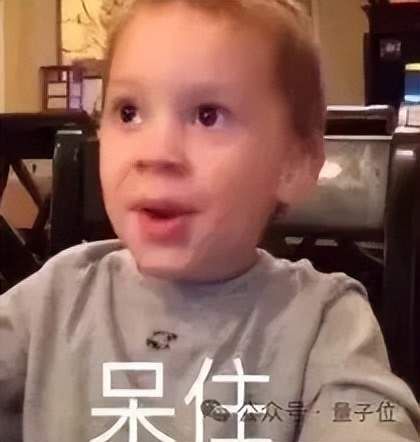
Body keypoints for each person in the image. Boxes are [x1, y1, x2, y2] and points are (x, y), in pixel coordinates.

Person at [1, 1, 419, 441]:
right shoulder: (55, 298)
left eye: (207, 116)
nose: (155, 153)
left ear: (293, 164)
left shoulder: (323, 323)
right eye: (128, 112)